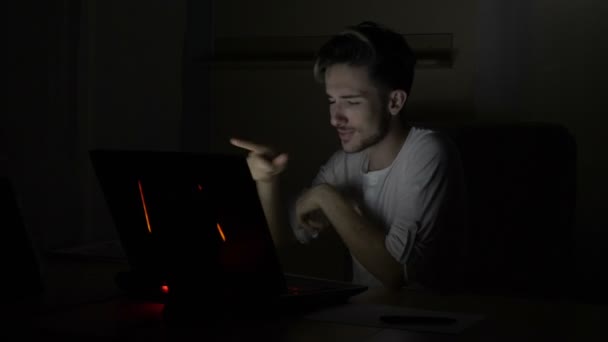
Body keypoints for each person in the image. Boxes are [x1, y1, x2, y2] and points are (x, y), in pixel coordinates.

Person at [230, 21, 467, 291]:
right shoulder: (345, 162)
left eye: (351, 102)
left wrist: (326, 197)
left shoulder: (429, 151)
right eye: (332, 100)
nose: (335, 118)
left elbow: (395, 274)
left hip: (428, 324)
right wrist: (267, 182)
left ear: (395, 102)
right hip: (368, 322)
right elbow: (281, 238)